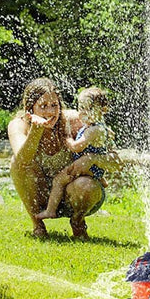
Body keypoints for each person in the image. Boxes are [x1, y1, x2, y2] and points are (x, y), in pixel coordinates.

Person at [8, 78, 120, 240]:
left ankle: (78, 222)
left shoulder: (76, 120)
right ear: (29, 108)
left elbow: (117, 164)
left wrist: (92, 158)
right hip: (41, 198)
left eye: (54, 105)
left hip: (74, 195)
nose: (50, 112)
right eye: (43, 106)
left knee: (85, 184)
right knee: (15, 163)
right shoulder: (18, 125)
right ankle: (38, 224)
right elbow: (22, 161)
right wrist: (36, 130)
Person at [36, 86, 111, 220]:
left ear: (103, 110)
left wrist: (68, 139)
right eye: (81, 108)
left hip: (85, 167)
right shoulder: (97, 127)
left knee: (58, 180)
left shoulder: (93, 130)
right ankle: (101, 178)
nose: (82, 113)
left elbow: (77, 147)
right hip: (93, 168)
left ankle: (50, 210)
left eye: (88, 109)